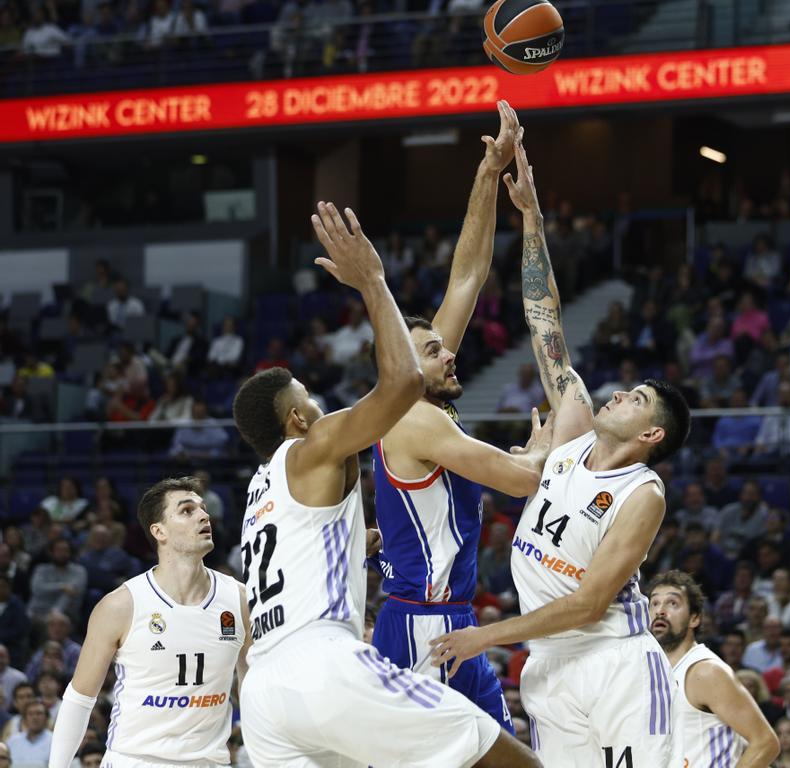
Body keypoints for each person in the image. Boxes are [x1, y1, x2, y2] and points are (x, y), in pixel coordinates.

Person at [232, 203, 535, 766]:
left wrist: (486, 177)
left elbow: (466, 279)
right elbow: (403, 382)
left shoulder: (262, 490)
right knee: (514, 759)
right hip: (365, 645)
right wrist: (372, 279)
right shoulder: (319, 443)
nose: (322, 406)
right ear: (296, 420)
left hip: (266, 690)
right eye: (310, 399)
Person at [428, 130, 691, 766]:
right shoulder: (571, 432)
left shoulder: (642, 492)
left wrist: (484, 636)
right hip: (547, 666)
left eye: (635, 400)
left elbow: (590, 602)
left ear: (650, 436)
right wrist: (533, 218)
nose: (618, 396)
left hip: (613, 664)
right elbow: (544, 317)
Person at [369, 102, 550, 734]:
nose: (450, 353)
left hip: (449, 617)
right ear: (403, 365)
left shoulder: (418, 400)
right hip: (425, 622)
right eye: (432, 350)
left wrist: (487, 168)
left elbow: (468, 275)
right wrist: (542, 448)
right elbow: (524, 482)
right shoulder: (415, 420)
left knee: (505, 752)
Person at [47, 477, 249, 767]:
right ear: (159, 531)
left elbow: (253, 691)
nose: (204, 515)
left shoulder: (239, 599)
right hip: (135, 760)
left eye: (203, 509)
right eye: (187, 510)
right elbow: (79, 699)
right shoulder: (120, 605)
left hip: (209, 761)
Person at [647, 570, 780, 768]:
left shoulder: (705, 671)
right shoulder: (651, 673)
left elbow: (765, 743)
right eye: (654, 603)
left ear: (694, 618)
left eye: (672, 603)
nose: (660, 611)